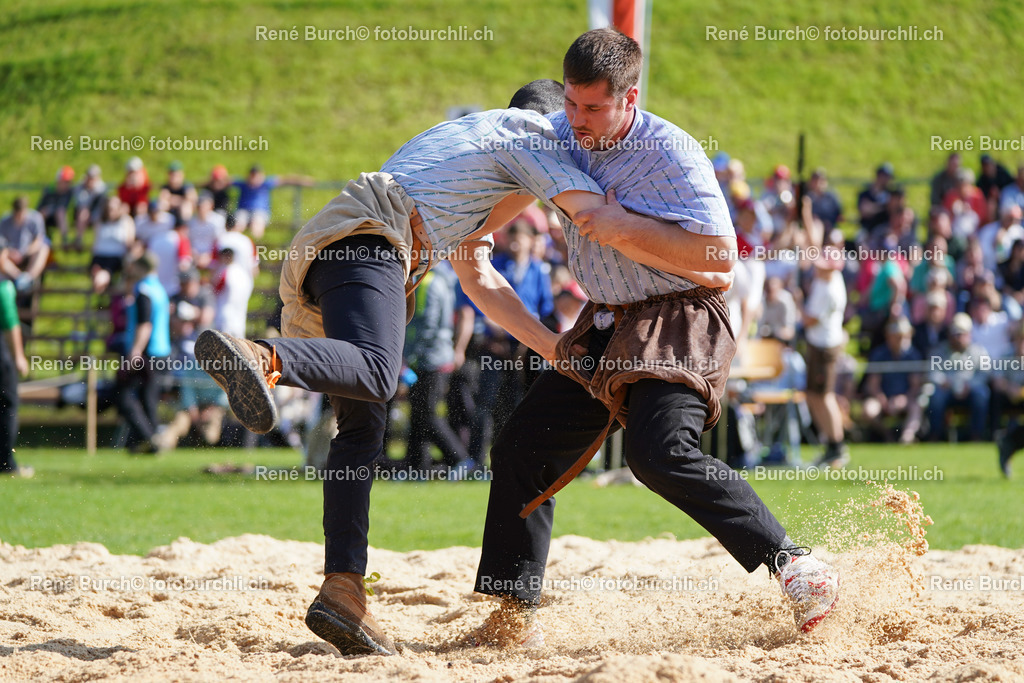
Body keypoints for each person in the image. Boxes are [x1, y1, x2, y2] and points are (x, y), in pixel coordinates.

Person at [194, 77, 734, 656]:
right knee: (379, 371)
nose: (575, 137)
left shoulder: (468, 147)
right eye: (569, 122)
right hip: (372, 242)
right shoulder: (534, 137)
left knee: (360, 427)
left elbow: (477, 276)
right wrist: (690, 251)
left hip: (338, 247)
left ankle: (342, 590)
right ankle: (264, 356)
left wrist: (553, 347)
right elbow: (592, 215)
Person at [465, 30, 838, 649]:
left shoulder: (672, 152)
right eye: (571, 104)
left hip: (680, 317)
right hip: (605, 321)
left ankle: (796, 566)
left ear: (629, 97)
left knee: (657, 453)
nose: (577, 120)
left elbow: (721, 262)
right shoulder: (561, 138)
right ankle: (511, 612)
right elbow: (505, 197)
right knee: (523, 447)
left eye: (593, 108)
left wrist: (623, 226)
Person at [402, 262, 470, 474]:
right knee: (418, 415)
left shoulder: (428, 281)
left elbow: (426, 324)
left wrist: (409, 356)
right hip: (432, 357)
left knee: (428, 415)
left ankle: (461, 460)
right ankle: (417, 468)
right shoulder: (442, 279)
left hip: (430, 359)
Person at [116, 253, 171, 454]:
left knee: (123, 395)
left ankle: (150, 438)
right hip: (162, 350)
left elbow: (145, 324)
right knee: (148, 399)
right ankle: (146, 443)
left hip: (147, 351)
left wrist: (135, 350)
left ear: (141, 267)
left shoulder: (144, 290)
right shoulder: (160, 289)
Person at [803, 253, 849, 466]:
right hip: (820, 345)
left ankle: (836, 446)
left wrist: (798, 303)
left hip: (824, 347)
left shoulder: (828, 289)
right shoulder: (830, 281)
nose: (817, 269)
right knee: (814, 396)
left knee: (824, 396)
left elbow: (810, 320)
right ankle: (831, 445)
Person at [925, 313, 990, 442]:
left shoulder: (979, 351)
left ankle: (976, 436)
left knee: (981, 394)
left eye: (961, 334)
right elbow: (932, 371)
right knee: (936, 397)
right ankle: (936, 436)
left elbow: (985, 373)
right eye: (955, 334)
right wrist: (943, 381)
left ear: (969, 334)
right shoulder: (939, 350)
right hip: (946, 389)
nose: (958, 338)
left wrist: (970, 385)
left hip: (970, 389)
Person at [862, 317, 923, 443]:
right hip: (882, 399)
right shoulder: (879, 354)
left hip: (906, 399)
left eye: (903, 335)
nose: (900, 339)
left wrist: (903, 399)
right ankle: (888, 435)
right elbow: (873, 384)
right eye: (897, 336)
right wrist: (883, 400)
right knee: (868, 410)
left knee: (917, 407)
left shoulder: (913, 355)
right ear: (888, 336)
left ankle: (906, 438)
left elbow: (915, 386)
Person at [0, 243, 31, 478]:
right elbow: (11, 323)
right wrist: (19, 356)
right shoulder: (3, 287)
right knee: (8, 404)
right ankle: (6, 463)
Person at [232, 165, 312, 239]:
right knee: (239, 224)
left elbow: (286, 179)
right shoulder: (243, 184)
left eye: (256, 176)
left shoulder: (266, 183)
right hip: (243, 211)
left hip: (260, 212)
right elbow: (228, 180)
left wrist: (305, 181)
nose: (254, 179)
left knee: (257, 224)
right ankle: (234, 244)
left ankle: (255, 244)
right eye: (253, 176)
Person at [0, 196, 51, 297]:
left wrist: (25, 252)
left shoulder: (36, 218)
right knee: (1, 255)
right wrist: (10, 252)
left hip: (28, 255)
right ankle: (18, 277)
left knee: (43, 248)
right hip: (11, 257)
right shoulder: (5, 221)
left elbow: (39, 240)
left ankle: (28, 278)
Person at [995, 320, 1024, 477]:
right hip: (1007, 398)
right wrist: (1009, 389)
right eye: (1020, 340)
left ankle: (1008, 442)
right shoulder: (1006, 356)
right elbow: (997, 380)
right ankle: (998, 435)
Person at [90, 196, 135, 294]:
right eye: (109, 208)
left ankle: (101, 289)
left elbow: (130, 242)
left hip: (116, 257)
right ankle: (101, 289)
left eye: (114, 208)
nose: (111, 211)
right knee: (98, 271)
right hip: (99, 255)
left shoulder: (126, 221)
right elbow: (96, 239)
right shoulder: (100, 221)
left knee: (104, 273)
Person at [37, 166, 76, 248]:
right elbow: (39, 207)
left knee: (60, 211)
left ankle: (64, 239)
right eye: (65, 181)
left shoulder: (70, 192)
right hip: (47, 217)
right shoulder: (49, 189)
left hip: (62, 218)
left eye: (69, 182)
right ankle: (38, 236)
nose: (67, 184)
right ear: (59, 180)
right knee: (42, 213)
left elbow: (65, 208)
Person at [71, 165, 107, 250]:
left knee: (97, 218)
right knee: (83, 212)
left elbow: (101, 206)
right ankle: (78, 239)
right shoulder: (80, 187)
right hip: (82, 215)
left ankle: (98, 243)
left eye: (93, 178)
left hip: (97, 214)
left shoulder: (101, 190)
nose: (91, 180)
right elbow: (80, 204)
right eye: (90, 177)